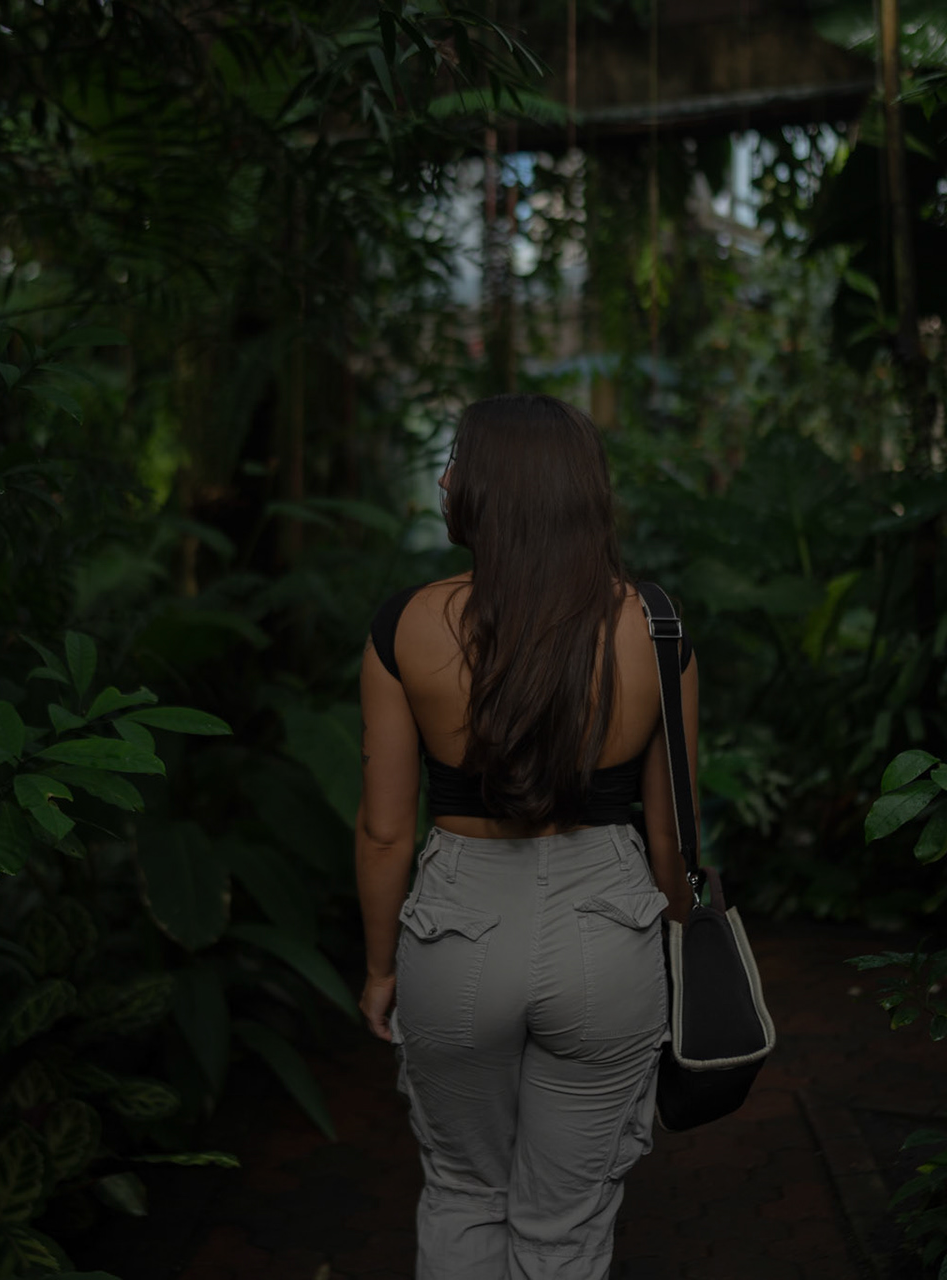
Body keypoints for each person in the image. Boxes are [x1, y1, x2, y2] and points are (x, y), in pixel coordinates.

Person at [354, 393, 700, 1279]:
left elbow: (386, 832)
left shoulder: (405, 625)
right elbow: (673, 836)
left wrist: (382, 969)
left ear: (493, 489)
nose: (444, 481)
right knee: (565, 1223)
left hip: (457, 927)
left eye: (456, 463)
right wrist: (678, 951)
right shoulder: (657, 625)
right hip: (607, 928)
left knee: (465, 1190)